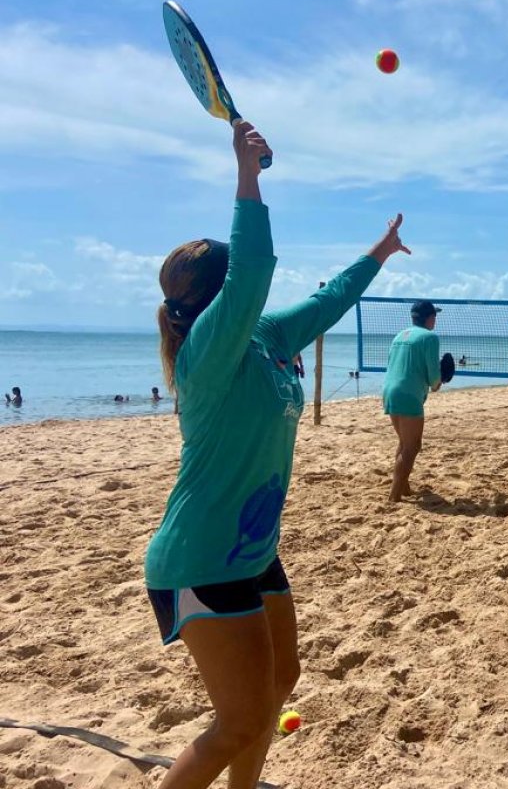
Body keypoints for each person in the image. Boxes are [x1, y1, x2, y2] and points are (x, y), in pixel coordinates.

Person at [144, 121, 410, 789]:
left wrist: (378, 253)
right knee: (235, 722)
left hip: (252, 551)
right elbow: (256, 264)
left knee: (279, 684)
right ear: (219, 293)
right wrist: (247, 173)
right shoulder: (209, 349)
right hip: (201, 557)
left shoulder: (262, 334)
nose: (250, 289)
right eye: (235, 283)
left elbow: (326, 302)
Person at [383, 300, 443, 502]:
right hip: (409, 395)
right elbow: (434, 377)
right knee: (412, 446)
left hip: (389, 391)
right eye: (435, 315)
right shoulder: (430, 338)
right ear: (430, 317)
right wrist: (438, 383)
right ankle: (394, 496)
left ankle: (405, 487)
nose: (435, 319)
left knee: (404, 442)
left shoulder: (399, 336)